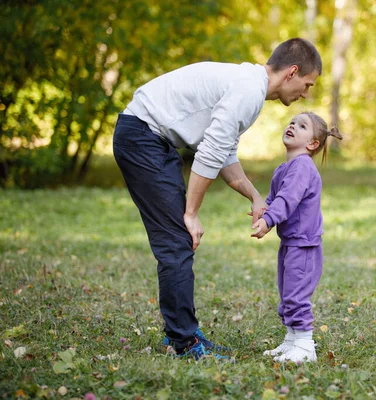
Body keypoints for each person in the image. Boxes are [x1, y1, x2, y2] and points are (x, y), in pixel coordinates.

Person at [112, 38, 322, 359]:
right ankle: (183, 343)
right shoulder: (248, 90)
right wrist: (192, 212)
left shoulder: (247, 85)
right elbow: (209, 152)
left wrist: (254, 197)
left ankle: (181, 332)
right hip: (143, 137)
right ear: (292, 72)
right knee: (176, 240)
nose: (305, 93)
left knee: (177, 240)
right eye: (307, 84)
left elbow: (224, 154)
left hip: (151, 138)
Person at [251, 112, 343, 363]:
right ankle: (292, 340)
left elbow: (288, 199)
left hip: (304, 244)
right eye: (292, 122)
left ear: (312, 144)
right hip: (290, 242)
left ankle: (304, 347)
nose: (292, 126)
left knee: (296, 295)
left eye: (302, 126)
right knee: (287, 293)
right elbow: (274, 199)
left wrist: (269, 220)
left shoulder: (302, 166)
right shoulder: (284, 168)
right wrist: (263, 212)